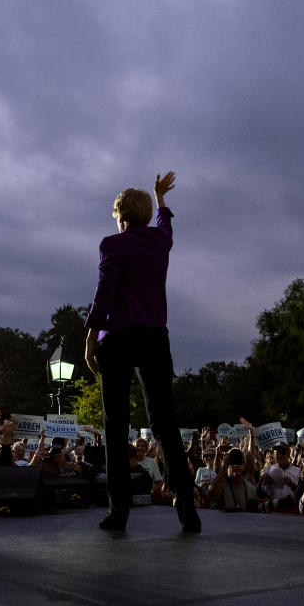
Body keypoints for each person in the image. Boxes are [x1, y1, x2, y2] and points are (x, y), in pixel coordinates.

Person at [83, 171, 200, 533]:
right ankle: (186, 505)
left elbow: (106, 290)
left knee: (116, 426)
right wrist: (160, 197)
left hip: (117, 337)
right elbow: (166, 223)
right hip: (153, 335)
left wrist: (90, 336)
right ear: (146, 216)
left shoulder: (112, 244)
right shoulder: (160, 241)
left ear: (120, 217)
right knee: (164, 421)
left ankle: (118, 510)